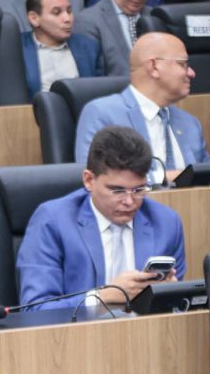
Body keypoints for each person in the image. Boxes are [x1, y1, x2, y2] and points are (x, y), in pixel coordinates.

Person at [16, 124, 185, 310]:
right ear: (89, 180)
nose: (129, 201)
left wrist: (168, 295)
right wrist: (102, 296)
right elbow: (34, 308)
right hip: (79, 329)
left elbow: (179, 307)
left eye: (139, 190)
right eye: (117, 190)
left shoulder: (167, 223)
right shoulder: (52, 221)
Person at [74, 32, 207, 178]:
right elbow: (97, 180)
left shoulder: (190, 123)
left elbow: (208, 180)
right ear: (154, 67)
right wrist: (165, 178)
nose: (191, 73)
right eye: (183, 64)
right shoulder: (102, 114)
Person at [22, 0, 102, 93]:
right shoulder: (16, 49)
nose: (67, 18)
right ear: (34, 18)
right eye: (56, 12)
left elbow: (100, 92)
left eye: (69, 11)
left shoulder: (89, 47)